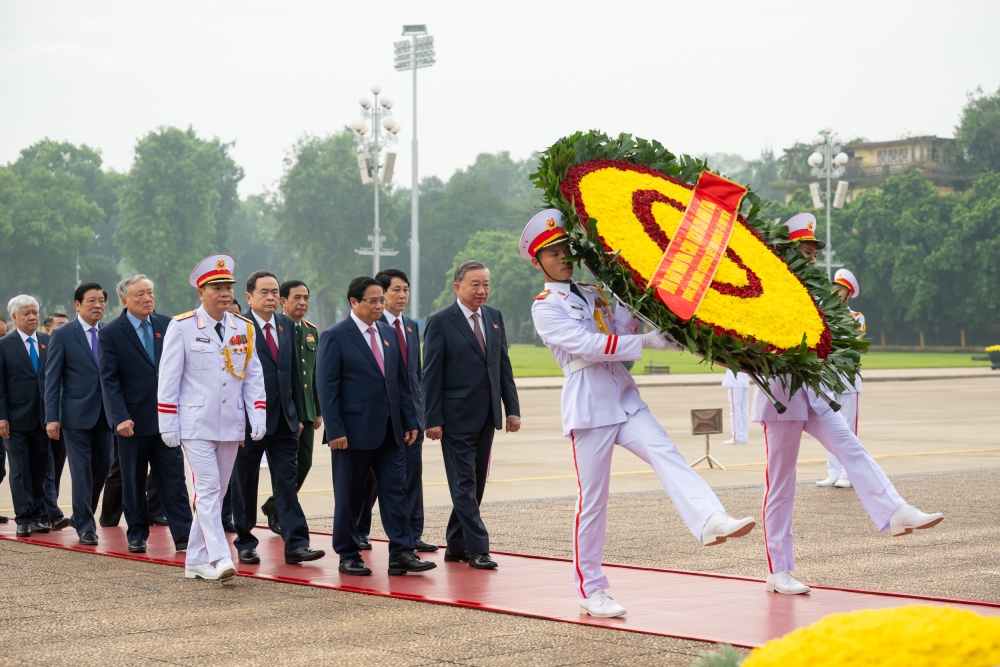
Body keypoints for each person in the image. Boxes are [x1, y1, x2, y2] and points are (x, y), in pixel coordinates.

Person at [521, 210, 757, 617]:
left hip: (624, 396)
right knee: (592, 501)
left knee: (667, 452)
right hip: (589, 404)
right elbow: (586, 345)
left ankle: (710, 518)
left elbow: (619, 329)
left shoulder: (593, 293)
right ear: (537, 262)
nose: (563, 257)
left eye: (565, 249)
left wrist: (638, 302)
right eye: (553, 253)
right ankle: (592, 589)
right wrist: (647, 342)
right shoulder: (545, 307)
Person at [753, 213, 943, 596]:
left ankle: (895, 510)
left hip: (814, 392)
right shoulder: (766, 288)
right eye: (804, 252)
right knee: (781, 486)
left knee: (852, 448)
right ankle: (779, 570)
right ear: (785, 252)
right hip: (781, 396)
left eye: (812, 253)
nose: (811, 259)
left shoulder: (815, 292)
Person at [157, 254, 267, 582]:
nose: (224, 292)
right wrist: (168, 422)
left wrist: (256, 414)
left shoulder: (243, 328)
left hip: (230, 424)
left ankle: (195, 560)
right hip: (195, 424)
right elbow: (169, 378)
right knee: (206, 490)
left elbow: (252, 376)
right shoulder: (183, 326)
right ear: (201, 292)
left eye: (228, 287)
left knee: (217, 493)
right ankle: (219, 556)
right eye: (216, 287)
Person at [316, 276, 433, 577]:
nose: (380, 305)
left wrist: (409, 420)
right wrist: (336, 430)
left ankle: (402, 552)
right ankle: (348, 553)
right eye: (373, 300)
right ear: (354, 302)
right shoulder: (335, 335)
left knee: (397, 492)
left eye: (382, 299)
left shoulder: (387, 333)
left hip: (391, 431)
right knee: (351, 496)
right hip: (352, 434)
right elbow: (327, 388)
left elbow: (399, 382)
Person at [423, 260, 521, 571]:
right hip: (454, 419)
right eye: (475, 285)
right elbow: (431, 374)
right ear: (458, 287)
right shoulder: (440, 321)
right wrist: (432, 419)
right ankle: (478, 548)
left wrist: (512, 409)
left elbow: (501, 365)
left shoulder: (494, 317)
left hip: (487, 416)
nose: (482, 291)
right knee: (463, 484)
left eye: (486, 285)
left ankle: (455, 544)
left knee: (475, 485)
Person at [231, 270, 323, 566]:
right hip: (249, 421)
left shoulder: (286, 325)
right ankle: (245, 542)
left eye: (274, 292)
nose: (270, 298)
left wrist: (296, 412)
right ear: (249, 297)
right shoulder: (237, 326)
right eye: (264, 293)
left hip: (285, 420)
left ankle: (296, 542)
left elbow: (293, 372)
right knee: (245, 484)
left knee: (287, 480)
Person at [98, 275, 193, 553]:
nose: (147, 298)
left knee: (174, 478)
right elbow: (109, 379)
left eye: (150, 293)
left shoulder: (168, 325)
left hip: (166, 419)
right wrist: (119, 417)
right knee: (133, 479)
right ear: (125, 300)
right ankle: (137, 534)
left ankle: (184, 535)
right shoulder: (112, 332)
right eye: (140, 294)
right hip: (132, 420)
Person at [357, 269, 435, 552]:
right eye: (396, 290)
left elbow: (413, 374)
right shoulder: (368, 328)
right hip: (379, 418)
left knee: (413, 476)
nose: (402, 295)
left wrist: (420, 414)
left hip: (411, 414)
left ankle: (414, 533)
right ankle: (360, 530)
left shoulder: (412, 326)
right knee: (369, 482)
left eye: (406, 290)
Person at [45, 283, 113, 546]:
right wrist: (52, 417)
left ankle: (82, 513)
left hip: (106, 415)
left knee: (103, 467)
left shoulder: (109, 332)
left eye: (101, 301)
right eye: (91, 301)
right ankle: (86, 526)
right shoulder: (63, 334)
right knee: (81, 470)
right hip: (75, 416)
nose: (98, 305)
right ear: (77, 304)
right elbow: (53, 380)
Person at [259, 280, 321, 535]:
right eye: (297, 297)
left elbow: (313, 373)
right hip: (283, 410)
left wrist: (317, 409)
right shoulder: (278, 329)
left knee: (303, 463)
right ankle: (283, 513)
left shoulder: (310, 331)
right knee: (284, 467)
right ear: (283, 301)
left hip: (305, 409)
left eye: (306, 297)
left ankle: (273, 505)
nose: (303, 303)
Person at [0, 295, 52, 535]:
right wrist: (2, 417)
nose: (32, 317)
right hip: (15, 419)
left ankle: (40, 514)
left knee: (40, 468)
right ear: (14, 317)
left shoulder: (48, 342)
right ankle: (24, 518)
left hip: (43, 418)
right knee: (20, 470)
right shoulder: (4, 345)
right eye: (26, 313)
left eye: (35, 312)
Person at [817, 268, 866, 489]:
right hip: (829, 378)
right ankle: (833, 472)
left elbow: (851, 344)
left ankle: (849, 474)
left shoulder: (856, 317)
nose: (835, 292)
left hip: (847, 380)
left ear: (849, 293)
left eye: (840, 289)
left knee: (847, 430)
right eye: (834, 288)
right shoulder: (825, 315)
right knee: (830, 428)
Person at [722, 370, 750, 445]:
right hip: (744, 379)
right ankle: (743, 436)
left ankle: (737, 437)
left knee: (735, 410)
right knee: (743, 410)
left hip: (735, 380)